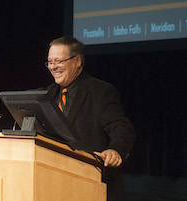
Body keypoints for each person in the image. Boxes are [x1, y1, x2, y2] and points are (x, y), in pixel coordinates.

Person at [45, 36, 135, 201]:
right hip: (55, 183)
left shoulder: (100, 91)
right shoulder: (47, 94)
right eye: (50, 62)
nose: (53, 67)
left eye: (58, 61)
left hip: (93, 184)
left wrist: (115, 150)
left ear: (77, 61)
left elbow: (120, 126)